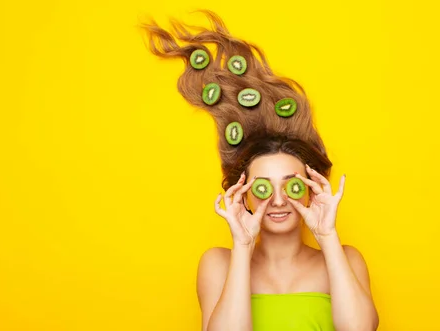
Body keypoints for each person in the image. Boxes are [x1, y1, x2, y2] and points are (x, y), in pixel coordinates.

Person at [142, 10, 379, 331]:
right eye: (263, 187)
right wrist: (241, 245)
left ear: (311, 189)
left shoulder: (344, 259)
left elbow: (359, 329)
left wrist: (327, 235)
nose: (279, 200)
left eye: (291, 185)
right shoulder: (218, 264)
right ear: (244, 195)